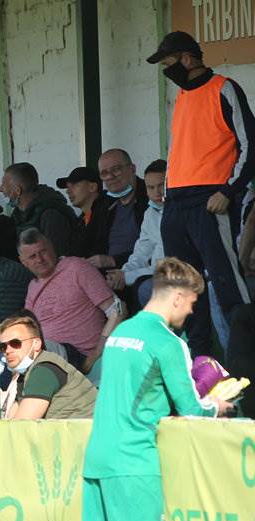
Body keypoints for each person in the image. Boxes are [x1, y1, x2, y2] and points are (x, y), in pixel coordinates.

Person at [79, 258, 233, 521]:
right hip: (133, 459)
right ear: (179, 297)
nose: (193, 312)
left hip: (98, 454)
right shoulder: (168, 343)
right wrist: (218, 405)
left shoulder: (120, 333)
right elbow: (191, 409)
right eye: (193, 303)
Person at [149, 31, 255, 356]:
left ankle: (246, 365)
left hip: (209, 201)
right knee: (184, 289)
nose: (167, 70)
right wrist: (168, 190)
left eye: (168, 62)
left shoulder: (223, 87)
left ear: (186, 58)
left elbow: (251, 144)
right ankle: (202, 365)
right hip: (176, 204)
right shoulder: (182, 96)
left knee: (228, 288)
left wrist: (229, 190)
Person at [19, 228, 124, 372]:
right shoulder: (33, 287)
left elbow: (118, 311)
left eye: (43, 251)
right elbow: (27, 329)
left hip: (78, 355)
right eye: (32, 256)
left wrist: (95, 355)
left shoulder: (76, 268)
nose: (39, 259)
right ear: (23, 262)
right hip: (46, 356)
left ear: (52, 247)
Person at [0, 313, 96, 419]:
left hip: (88, 433)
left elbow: (22, 426)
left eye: (15, 343)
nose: (7, 350)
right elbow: (13, 418)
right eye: (3, 346)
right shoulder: (25, 373)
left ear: (36, 344)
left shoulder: (43, 371)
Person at [108, 160, 167, 309]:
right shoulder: (150, 213)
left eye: (161, 186)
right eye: (150, 187)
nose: (156, 192)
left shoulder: (179, 213)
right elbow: (141, 252)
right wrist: (122, 273)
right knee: (108, 285)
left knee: (146, 288)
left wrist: (127, 277)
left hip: (177, 274)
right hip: (155, 273)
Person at [84, 149, 149, 271]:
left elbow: (156, 248)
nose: (110, 177)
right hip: (103, 272)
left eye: (116, 169)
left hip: (140, 271)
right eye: (104, 173)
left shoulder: (151, 197)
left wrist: (114, 261)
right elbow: (87, 241)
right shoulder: (102, 202)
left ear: (132, 169)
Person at [0, 162, 78, 257]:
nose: (0, 189)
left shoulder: (51, 216)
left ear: (17, 190)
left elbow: (58, 259)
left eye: (3, 185)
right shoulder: (18, 214)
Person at [56, 166, 112, 258]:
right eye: (67, 187)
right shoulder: (81, 221)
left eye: (74, 185)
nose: (68, 191)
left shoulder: (109, 212)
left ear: (92, 187)